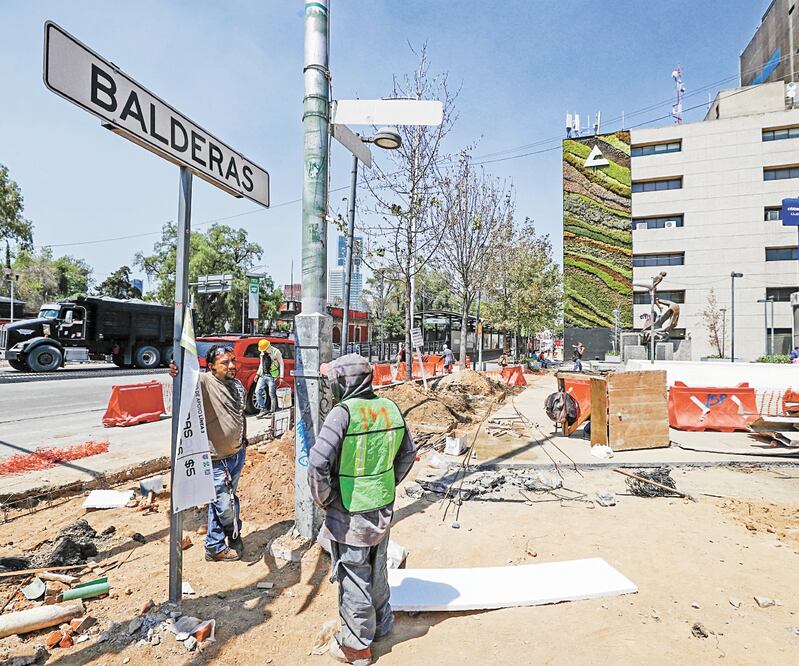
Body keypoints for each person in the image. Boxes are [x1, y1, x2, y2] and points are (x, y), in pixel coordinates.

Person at [308, 354, 416, 666]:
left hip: (350, 512)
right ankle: (382, 626)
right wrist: (387, 482)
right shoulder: (390, 408)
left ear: (344, 382)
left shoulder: (342, 414)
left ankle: (356, 647)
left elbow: (317, 463)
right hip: (381, 507)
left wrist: (325, 499)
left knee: (353, 575)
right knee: (377, 567)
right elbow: (408, 453)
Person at [170, 344, 247, 562]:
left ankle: (216, 545)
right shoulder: (204, 381)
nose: (232, 366)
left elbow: (239, 415)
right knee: (224, 504)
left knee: (222, 500)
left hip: (236, 454)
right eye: (225, 362)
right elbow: (184, 378)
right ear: (211, 366)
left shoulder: (235, 384)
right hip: (216, 459)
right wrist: (176, 370)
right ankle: (231, 536)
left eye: (233, 361)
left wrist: (243, 440)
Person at [255, 339, 284, 418]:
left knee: (271, 393)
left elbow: (281, 364)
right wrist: (257, 374)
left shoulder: (276, 352)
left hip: (272, 376)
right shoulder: (262, 353)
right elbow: (261, 364)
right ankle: (263, 409)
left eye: (264, 349)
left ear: (268, 347)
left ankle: (272, 411)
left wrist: (281, 376)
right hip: (263, 375)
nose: (263, 351)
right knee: (257, 391)